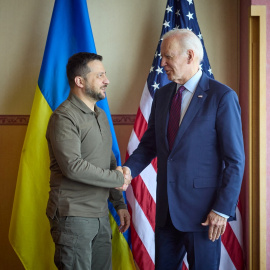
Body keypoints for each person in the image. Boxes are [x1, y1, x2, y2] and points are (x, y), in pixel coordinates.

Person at [123, 29, 245, 270]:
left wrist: (222, 209)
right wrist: (128, 170)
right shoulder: (162, 95)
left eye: (168, 57)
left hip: (205, 216)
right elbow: (149, 145)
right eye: (162, 57)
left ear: (190, 56)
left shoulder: (222, 97)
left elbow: (235, 161)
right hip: (167, 215)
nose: (163, 63)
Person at [46, 52, 131, 270]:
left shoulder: (100, 115)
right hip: (73, 218)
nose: (107, 80)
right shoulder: (63, 117)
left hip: (101, 215)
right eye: (100, 75)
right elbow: (73, 167)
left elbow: (108, 161)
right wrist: (117, 177)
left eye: (105, 74)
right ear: (80, 81)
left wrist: (119, 203)